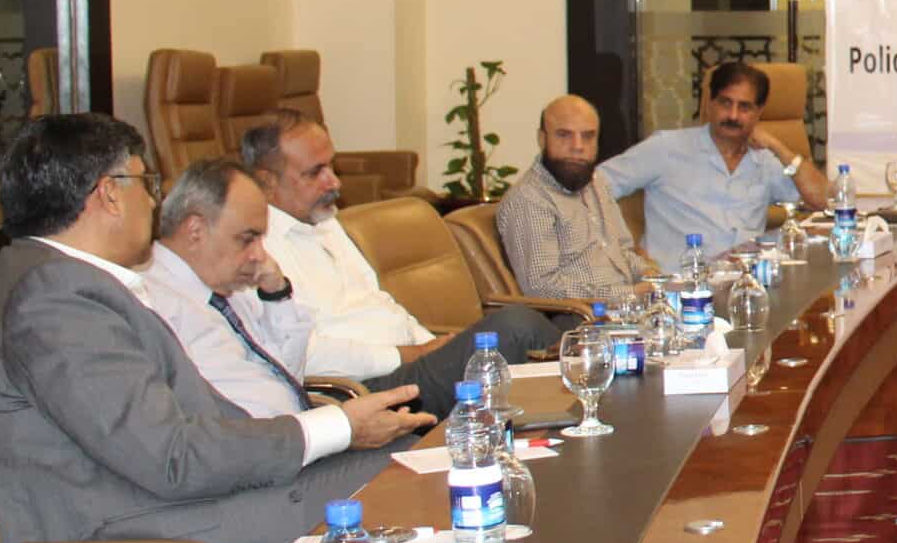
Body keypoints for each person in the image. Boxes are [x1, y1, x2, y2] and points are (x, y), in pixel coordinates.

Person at [0, 116, 430, 543]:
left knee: (411, 463)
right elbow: (171, 457)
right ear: (109, 194)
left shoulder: (56, 280)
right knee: (410, 480)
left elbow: (189, 431)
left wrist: (337, 435)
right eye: (147, 182)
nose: (154, 202)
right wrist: (337, 428)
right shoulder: (50, 297)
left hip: (173, 521)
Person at [245, 109, 557, 409]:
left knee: (536, 347)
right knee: (516, 327)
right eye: (316, 172)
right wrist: (412, 354)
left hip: (409, 365)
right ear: (266, 181)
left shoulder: (324, 223)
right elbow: (305, 355)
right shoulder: (257, 253)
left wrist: (437, 348)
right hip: (364, 389)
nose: (334, 182)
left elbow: (381, 303)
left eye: (331, 167)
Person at [141, 157, 328, 420]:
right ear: (195, 230)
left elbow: (287, 377)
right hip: (259, 440)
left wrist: (276, 295)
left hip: (295, 431)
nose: (259, 256)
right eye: (247, 239)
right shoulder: (151, 303)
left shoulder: (231, 289)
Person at [597, 60, 827, 263]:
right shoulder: (665, 148)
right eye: (726, 103)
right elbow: (594, 186)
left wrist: (779, 147)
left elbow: (823, 202)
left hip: (745, 283)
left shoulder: (766, 161)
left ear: (759, 113)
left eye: (744, 107)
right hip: (681, 285)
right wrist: (621, 250)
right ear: (710, 103)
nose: (733, 115)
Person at [497, 94, 653, 301]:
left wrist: (652, 277)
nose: (578, 146)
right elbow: (541, 288)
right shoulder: (530, 198)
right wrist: (629, 294)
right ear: (542, 139)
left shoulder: (596, 183)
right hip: (581, 315)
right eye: (564, 135)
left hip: (627, 307)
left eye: (588, 136)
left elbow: (623, 252)